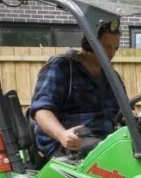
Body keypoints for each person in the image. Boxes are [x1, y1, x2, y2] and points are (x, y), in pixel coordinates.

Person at [29, 22, 125, 158]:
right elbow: (41, 110)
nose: (111, 53)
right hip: (68, 143)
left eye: (115, 48)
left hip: (105, 141)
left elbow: (122, 111)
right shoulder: (61, 68)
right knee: (116, 156)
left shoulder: (111, 75)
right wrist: (62, 134)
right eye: (106, 47)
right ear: (89, 44)